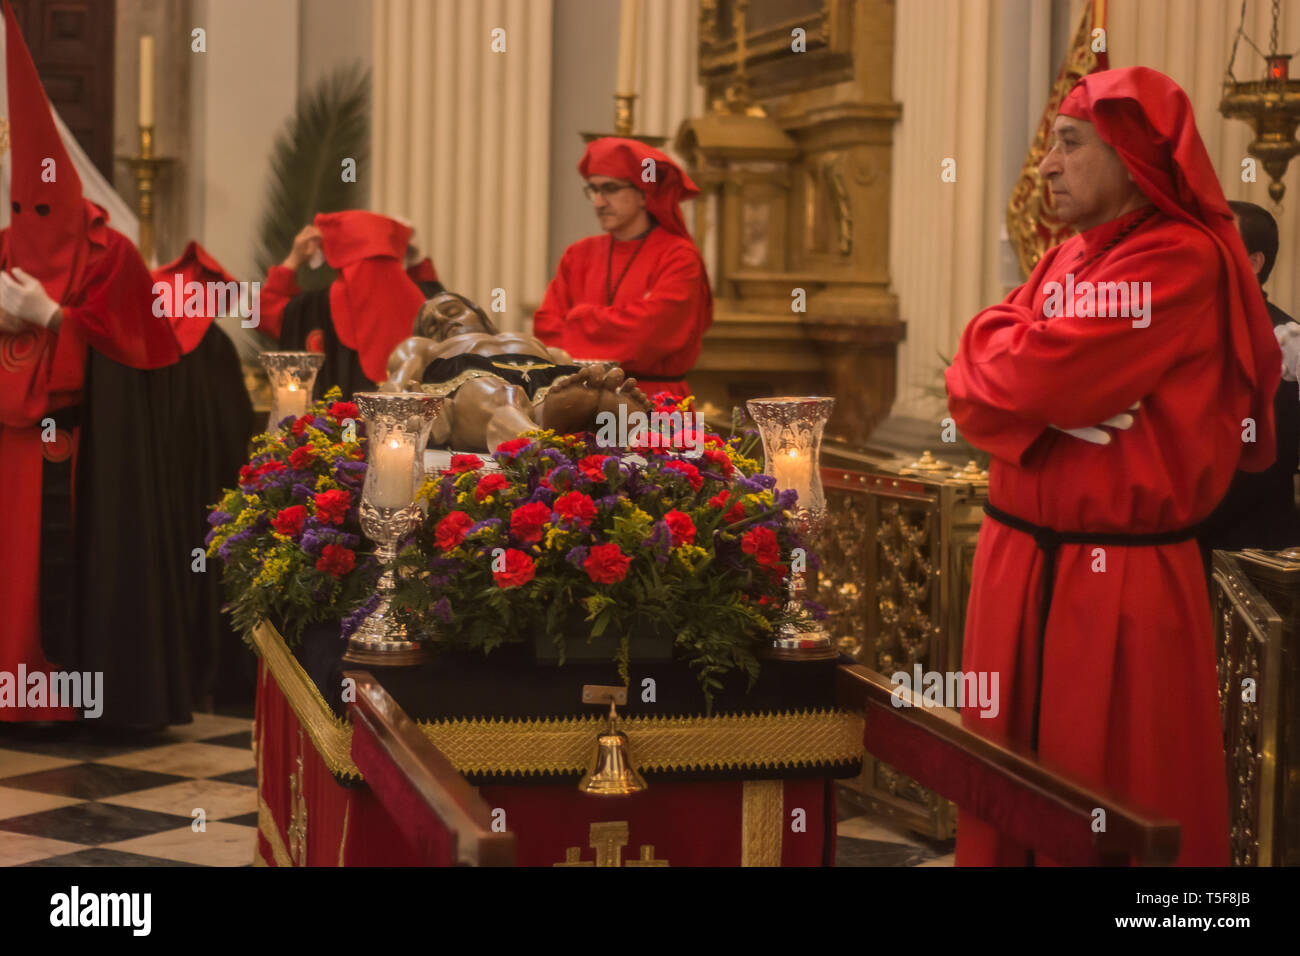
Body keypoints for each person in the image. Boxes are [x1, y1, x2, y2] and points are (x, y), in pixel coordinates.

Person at [944, 67, 1282, 866]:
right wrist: (1031, 388)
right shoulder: (1063, 260)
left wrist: (1031, 387)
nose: (1047, 166)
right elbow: (977, 376)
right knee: (1001, 787)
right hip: (1015, 561)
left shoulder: (1181, 259)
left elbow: (1032, 376)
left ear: (1131, 155)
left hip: (1114, 579)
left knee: (1109, 796)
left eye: (1068, 144)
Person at [0, 0, 192, 727]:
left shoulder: (111, 255)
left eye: (41, 207)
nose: (29, 222)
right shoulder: (7, 242)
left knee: (56, 579)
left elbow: (135, 354)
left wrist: (55, 319)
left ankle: (62, 702)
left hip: (78, 457)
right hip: (11, 447)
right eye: (20, 208)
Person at [150, 241, 256, 708]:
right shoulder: (217, 346)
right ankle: (211, 674)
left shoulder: (147, 343)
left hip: (153, 493)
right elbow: (237, 430)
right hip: (210, 495)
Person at [533, 137, 712, 399]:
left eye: (610, 189)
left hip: (654, 401)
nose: (598, 202)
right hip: (580, 400)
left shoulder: (679, 256)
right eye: (594, 190)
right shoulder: (578, 254)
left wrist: (579, 317)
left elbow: (648, 334)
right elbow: (546, 331)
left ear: (644, 193)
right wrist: (613, 324)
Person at [386, 290, 651, 451]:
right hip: (469, 376)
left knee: (586, 391)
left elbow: (561, 359)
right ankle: (530, 443)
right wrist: (413, 406)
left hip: (543, 374)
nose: (443, 321)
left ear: (480, 315)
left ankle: (583, 413)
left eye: (452, 311)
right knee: (504, 396)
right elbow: (395, 385)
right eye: (432, 325)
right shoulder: (424, 346)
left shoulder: (526, 338)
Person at [1199, 201, 1300, 552]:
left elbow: (1264, 462)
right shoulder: (1185, 327)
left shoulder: (1286, 340)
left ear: (1254, 263)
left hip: (1249, 552)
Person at [259, 211, 444, 399]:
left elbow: (263, 314)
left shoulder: (314, 307)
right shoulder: (428, 307)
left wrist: (293, 260)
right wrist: (417, 265)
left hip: (337, 425)